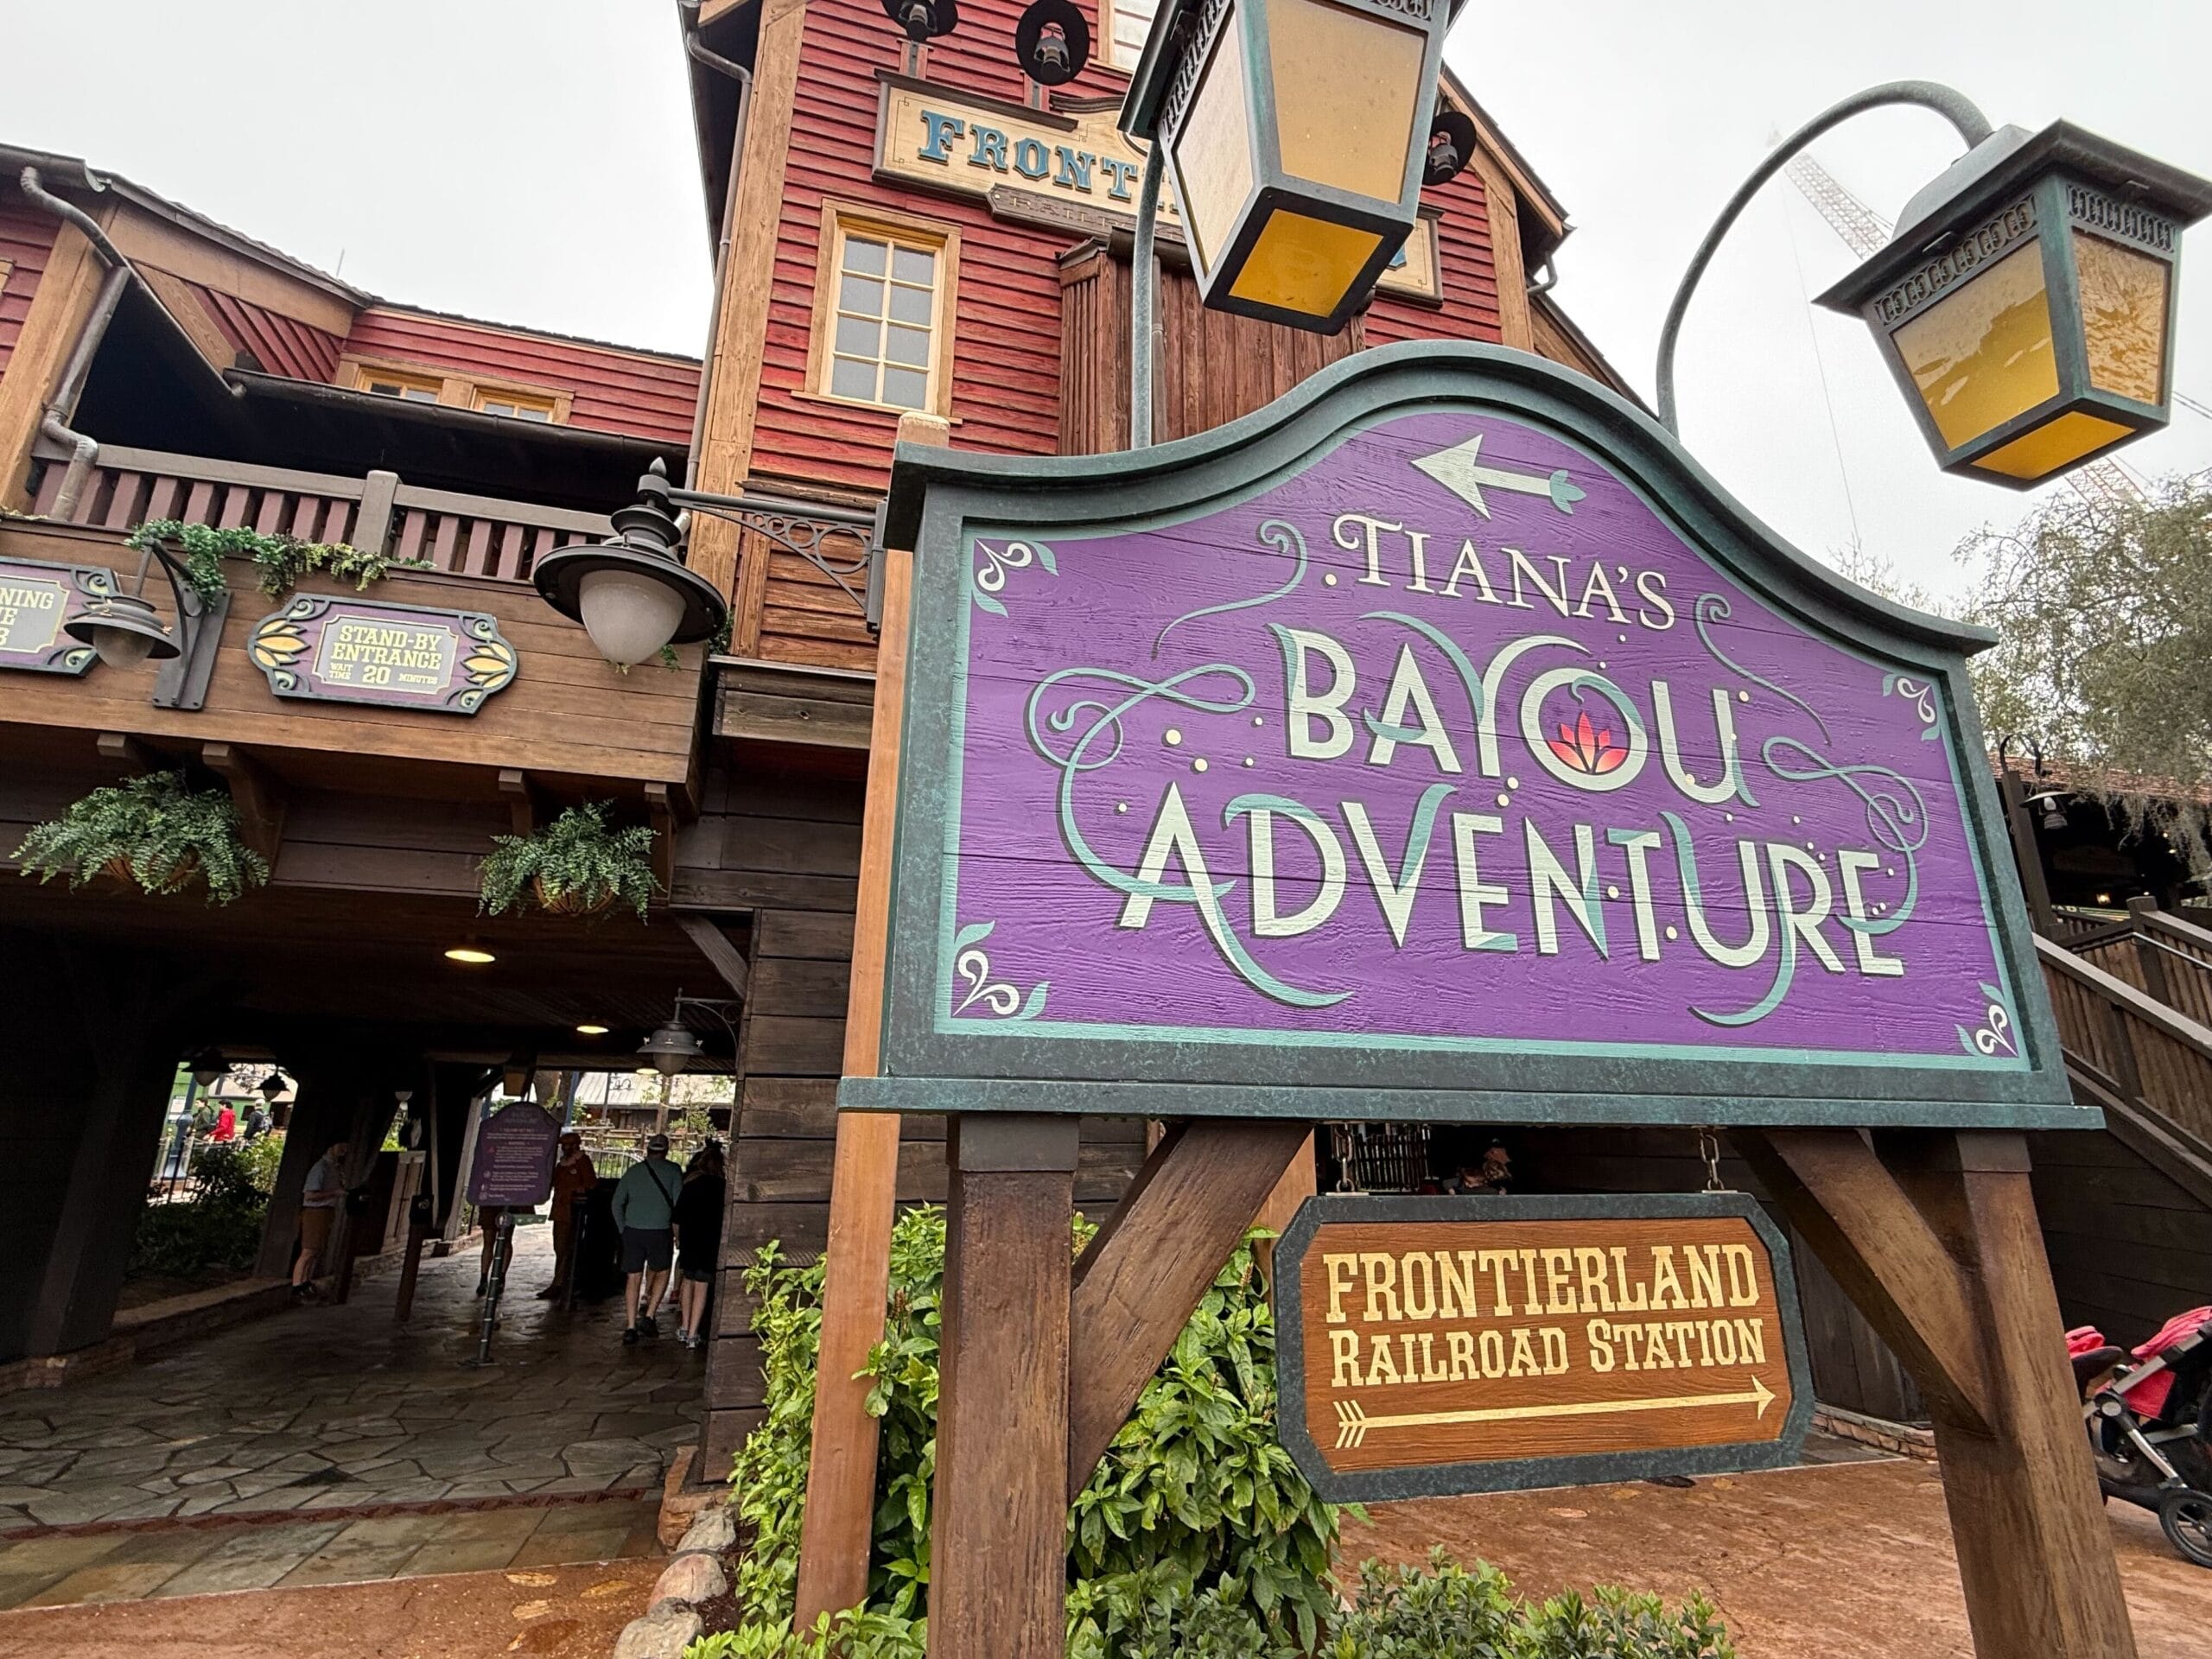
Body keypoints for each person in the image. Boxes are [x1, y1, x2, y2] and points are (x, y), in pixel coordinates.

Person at [610, 1133, 681, 1344]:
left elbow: (616, 1203)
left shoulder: (633, 1172)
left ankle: (630, 1325)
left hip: (633, 1230)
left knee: (633, 1277)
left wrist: (623, 1229)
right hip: (660, 1230)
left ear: (648, 1150)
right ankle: (649, 1314)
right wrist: (677, 1233)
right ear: (666, 1151)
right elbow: (678, 1205)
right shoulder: (674, 1171)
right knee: (662, 1271)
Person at [674, 1142, 726, 1347]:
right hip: (710, 1240)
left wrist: (677, 1238)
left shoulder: (690, 1185)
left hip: (690, 1238)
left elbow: (677, 1217)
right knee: (702, 1286)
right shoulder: (723, 1188)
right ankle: (694, 1333)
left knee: (688, 1281)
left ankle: (685, 1327)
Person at [541, 1130, 596, 1301]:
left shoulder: (582, 1162)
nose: (566, 1148)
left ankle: (560, 1283)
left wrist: (575, 1192)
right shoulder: (561, 1165)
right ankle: (559, 1281)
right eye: (564, 1145)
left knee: (568, 1249)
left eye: (569, 1144)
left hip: (574, 1212)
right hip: (559, 1211)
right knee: (559, 1248)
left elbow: (591, 1183)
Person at [293, 1139, 349, 1299]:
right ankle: (297, 1284)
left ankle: (306, 1281)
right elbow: (310, 1195)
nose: (344, 1150)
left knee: (316, 1250)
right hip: (316, 1211)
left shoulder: (335, 1167)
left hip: (327, 1210)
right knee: (308, 1250)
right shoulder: (320, 1167)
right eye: (342, 1145)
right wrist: (334, 1193)